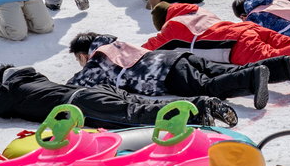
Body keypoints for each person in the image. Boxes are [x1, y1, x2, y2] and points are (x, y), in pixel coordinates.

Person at [0, 64, 237, 129]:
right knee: (144, 104)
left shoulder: (12, 90)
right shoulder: (37, 81)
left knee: (135, 117)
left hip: (81, 104)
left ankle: (196, 114)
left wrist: (0, 95)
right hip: (94, 93)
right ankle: (200, 104)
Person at [68, 32, 276, 109]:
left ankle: (252, 77)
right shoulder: (116, 44)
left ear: (83, 53)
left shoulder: (98, 59)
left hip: (163, 73)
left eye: (79, 58)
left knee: (207, 87)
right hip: (174, 57)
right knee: (223, 72)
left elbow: (74, 86)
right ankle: (283, 65)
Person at [145, 1, 290, 83]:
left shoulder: (172, 28)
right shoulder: (196, 11)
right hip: (245, 29)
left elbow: (147, 51)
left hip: (233, 45)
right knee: (287, 42)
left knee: (273, 58)